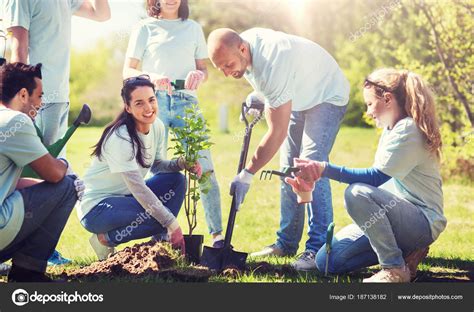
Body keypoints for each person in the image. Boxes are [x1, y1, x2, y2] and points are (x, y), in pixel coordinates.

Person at [207, 28, 350, 270]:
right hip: (299, 95)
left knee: (310, 167)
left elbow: (276, 132)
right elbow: (265, 81)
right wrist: (259, 94)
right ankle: (286, 243)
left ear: (242, 49)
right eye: (221, 68)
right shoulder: (245, 46)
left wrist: (248, 173)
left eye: (228, 65)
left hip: (327, 94)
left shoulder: (272, 61)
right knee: (288, 170)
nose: (227, 72)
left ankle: (318, 251)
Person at [286, 68, 446, 282]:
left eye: (370, 104)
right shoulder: (391, 129)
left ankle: (394, 269)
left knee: (357, 193)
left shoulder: (409, 129)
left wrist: (322, 169)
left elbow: (374, 178)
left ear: (387, 99)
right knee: (326, 261)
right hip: (393, 218)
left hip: (420, 221)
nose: (368, 112)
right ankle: (407, 255)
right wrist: (312, 182)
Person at [4, 0, 111, 265]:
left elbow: (102, 15)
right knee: (45, 172)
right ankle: (29, 249)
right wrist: (21, 100)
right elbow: (19, 43)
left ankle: (32, 247)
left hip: (57, 95)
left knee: (53, 177)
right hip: (34, 96)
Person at [122, 0, 224, 247]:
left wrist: (200, 74)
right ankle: (160, 234)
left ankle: (218, 238)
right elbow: (127, 71)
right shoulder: (144, 28)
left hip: (186, 102)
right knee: (157, 167)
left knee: (204, 166)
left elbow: (204, 70)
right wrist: (151, 78)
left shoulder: (192, 28)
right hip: (154, 102)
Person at [78, 75, 201, 260]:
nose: (148, 108)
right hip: (97, 208)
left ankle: (159, 241)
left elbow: (157, 166)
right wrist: (171, 223)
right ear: (128, 107)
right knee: (158, 216)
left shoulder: (156, 126)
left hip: (126, 198)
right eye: (139, 103)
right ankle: (105, 239)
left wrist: (181, 163)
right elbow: (138, 187)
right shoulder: (121, 138)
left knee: (176, 180)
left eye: (151, 100)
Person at [0, 62, 81, 282]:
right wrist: (66, 165)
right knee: (67, 185)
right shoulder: (15, 121)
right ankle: (28, 272)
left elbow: (9, 184)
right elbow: (54, 174)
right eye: (39, 96)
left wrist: (43, 192)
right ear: (23, 94)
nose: (41, 103)